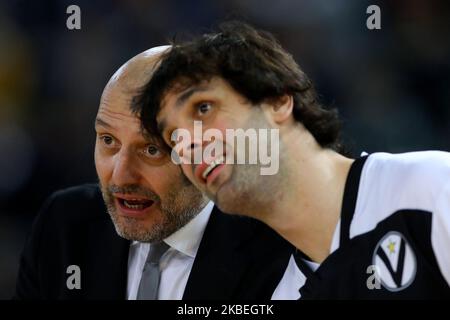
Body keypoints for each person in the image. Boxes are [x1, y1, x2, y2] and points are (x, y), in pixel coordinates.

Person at [133, 22, 450, 298]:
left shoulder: (430, 189)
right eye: (173, 137)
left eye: (203, 108)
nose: (188, 144)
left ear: (277, 100)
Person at [14, 46, 292, 300]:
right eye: (108, 140)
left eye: (151, 149)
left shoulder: (280, 249)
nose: (121, 176)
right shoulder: (63, 226)